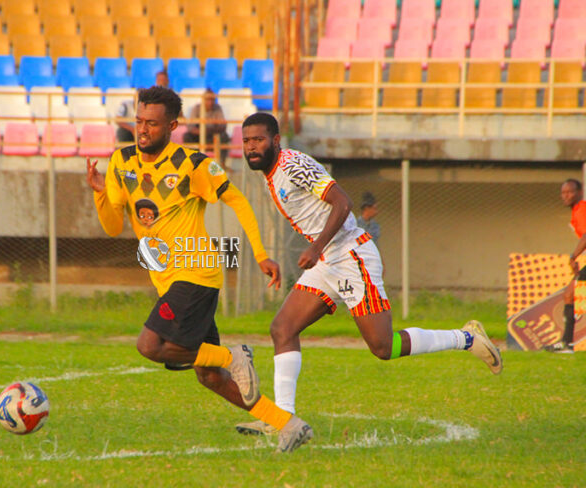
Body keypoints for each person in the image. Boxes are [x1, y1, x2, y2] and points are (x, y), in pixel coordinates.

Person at [234, 112, 503, 447]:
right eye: (246, 141)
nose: (251, 147)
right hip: (329, 260)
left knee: (383, 347)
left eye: (258, 140)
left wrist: (316, 247)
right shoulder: (271, 174)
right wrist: (319, 251)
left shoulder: (293, 165)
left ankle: (466, 338)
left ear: (275, 140)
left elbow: (342, 203)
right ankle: (283, 420)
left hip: (350, 256)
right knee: (282, 328)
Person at [86, 87, 312, 452]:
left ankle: (234, 357)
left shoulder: (193, 164)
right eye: (139, 121)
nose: (142, 129)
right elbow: (113, 226)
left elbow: (238, 200)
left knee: (150, 345)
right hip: (168, 280)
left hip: (196, 272)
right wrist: (100, 192)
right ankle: (287, 424)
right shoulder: (121, 162)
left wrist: (259, 254)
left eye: (152, 123)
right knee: (208, 375)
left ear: (172, 126)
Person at [545, 178, 586, 353]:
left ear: (579, 193)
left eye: (570, 192)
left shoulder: (582, 209)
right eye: (563, 192)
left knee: (570, 295)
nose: (566, 196)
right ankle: (566, 344)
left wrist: (573, 256)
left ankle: (566, 344)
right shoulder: (576, 211)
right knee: (570, 295)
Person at [115, 71, 170, 143]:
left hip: (144, 131)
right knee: (122, 132)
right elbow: (118, 119)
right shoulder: (126, 104)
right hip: (129, 131)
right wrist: (132, 129)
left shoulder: (149, 108)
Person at [183, 88, 231, 165]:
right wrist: (202, 132)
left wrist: (209, 130)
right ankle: (193, 163)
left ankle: (222, 164)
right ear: (203, 100)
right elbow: (191, 127)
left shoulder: (217, 108)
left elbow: (223, 126)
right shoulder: (197, 108)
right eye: (208, 99)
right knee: (187, 136)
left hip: (212, 136)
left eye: (212, 100)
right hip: (198, 136)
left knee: (224, 136)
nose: (210, 102)